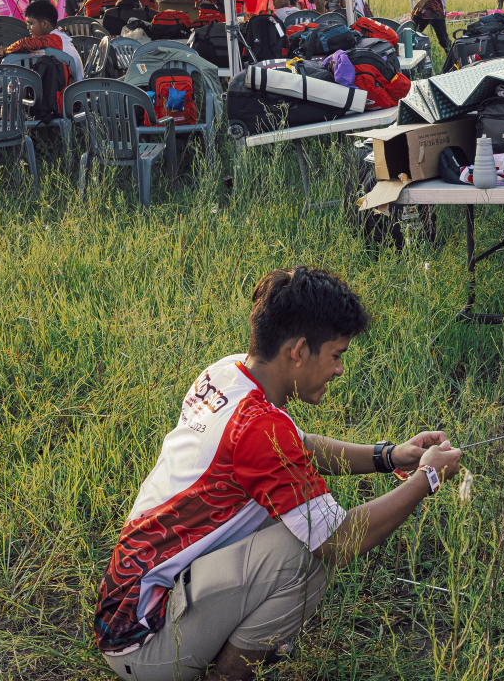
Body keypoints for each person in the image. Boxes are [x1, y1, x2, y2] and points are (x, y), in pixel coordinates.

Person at [93, 267, 462, 681]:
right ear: (299, 351)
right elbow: (339, 541)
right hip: (146, 644)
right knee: (306, 553)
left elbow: (300, 448)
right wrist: (426, 479)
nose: (340, 369)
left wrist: (391, 456)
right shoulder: (260, 430)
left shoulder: (230, 373)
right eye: (336, 355)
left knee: (296, 521)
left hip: (128, 609)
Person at [0, 0, 84, 81]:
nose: (28, 28)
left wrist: (5, 50)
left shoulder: (55, 39)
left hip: (70, 92)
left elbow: (26, 43)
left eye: (30, 24)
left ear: (44, 24)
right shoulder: (59, 34)